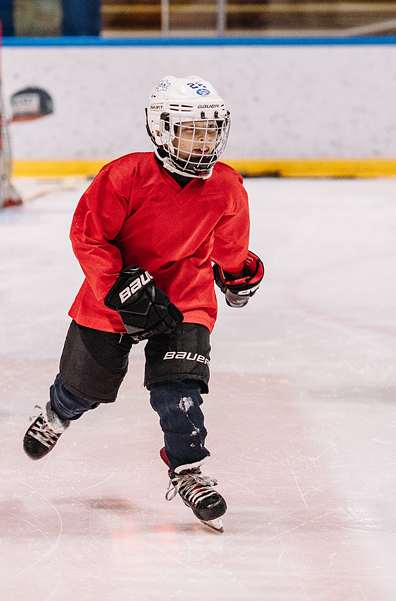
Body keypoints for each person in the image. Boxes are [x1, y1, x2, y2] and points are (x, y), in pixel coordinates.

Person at [21, 75, 263, 533]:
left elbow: (231, 248)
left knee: (180, 392)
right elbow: (89, 236)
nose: (204, 141)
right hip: (113, 294)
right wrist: (118, 286)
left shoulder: (228, 186)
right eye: (192, 129)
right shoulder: (124, 175)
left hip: (185, 294)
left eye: (211, 130)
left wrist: (238, 273)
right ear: (161, 129)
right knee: (83, 390)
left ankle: (189, 471)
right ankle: (58, 412)